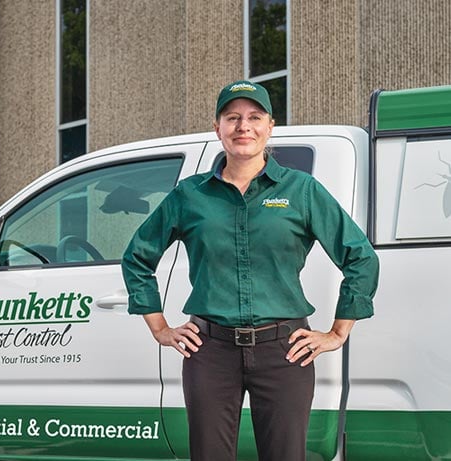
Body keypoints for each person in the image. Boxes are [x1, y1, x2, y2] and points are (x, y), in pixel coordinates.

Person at [121, 80, 379, 461]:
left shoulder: (301, 190)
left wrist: (338, 332)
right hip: (209, 351)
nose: (244, 126)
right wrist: (160, 327)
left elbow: (360, 257)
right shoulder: (189, 196)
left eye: (254, 117)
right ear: (218, 128)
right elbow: (137, 258)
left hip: (285, 352)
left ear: (270, 126)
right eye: (233, 118)